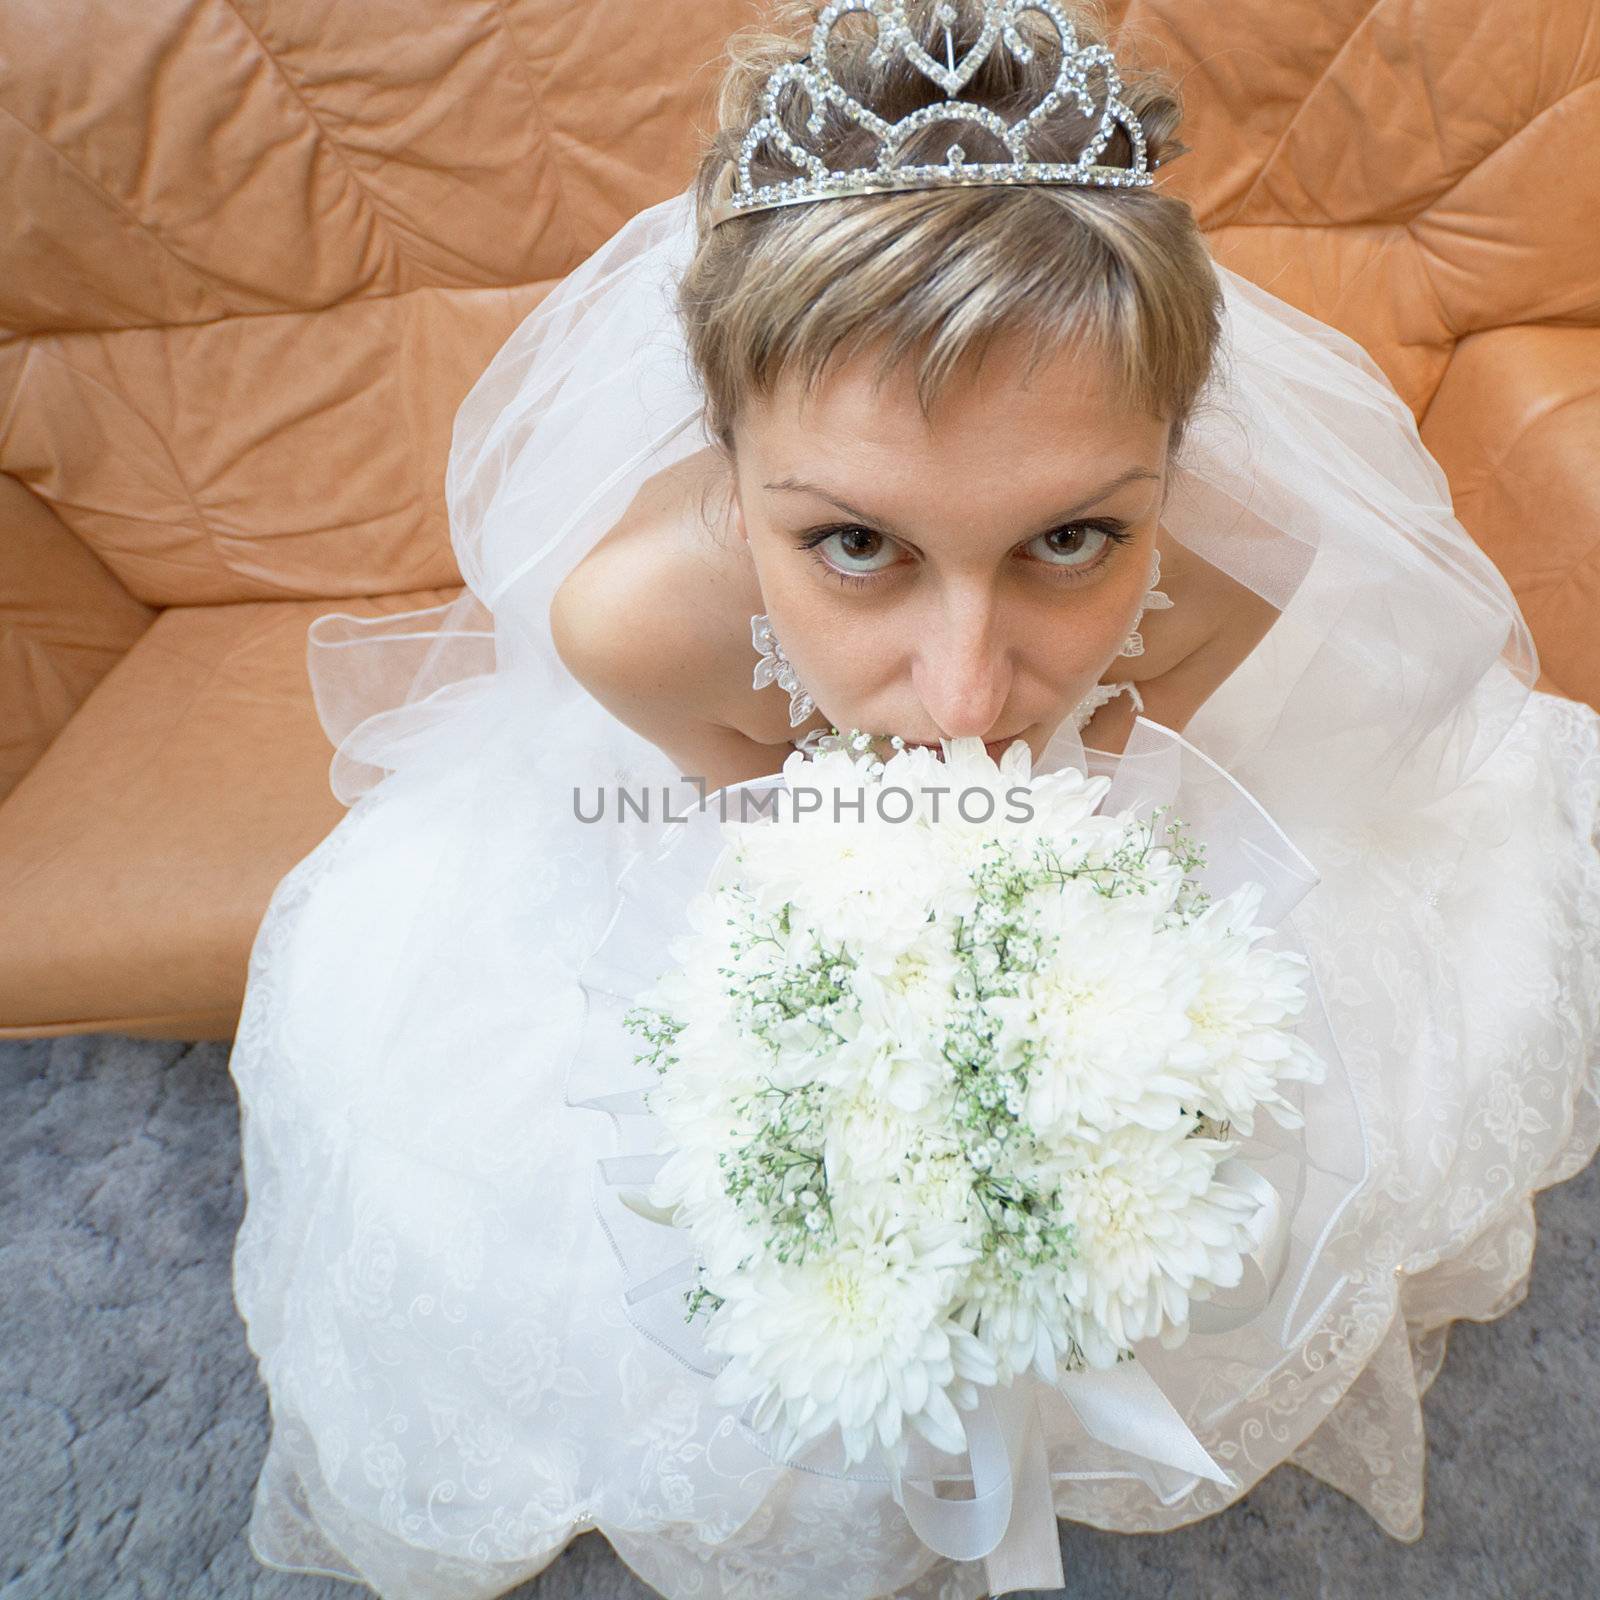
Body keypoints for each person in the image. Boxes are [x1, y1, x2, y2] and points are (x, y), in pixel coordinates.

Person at [226, 3, 1600, 1597]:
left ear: (1165, 466)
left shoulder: (1227, 591)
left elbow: (1135, 807)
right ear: (728, 471)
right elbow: (747, 857)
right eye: (856, 545)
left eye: (1074, 539)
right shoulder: (637, 630)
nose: (962, 697)